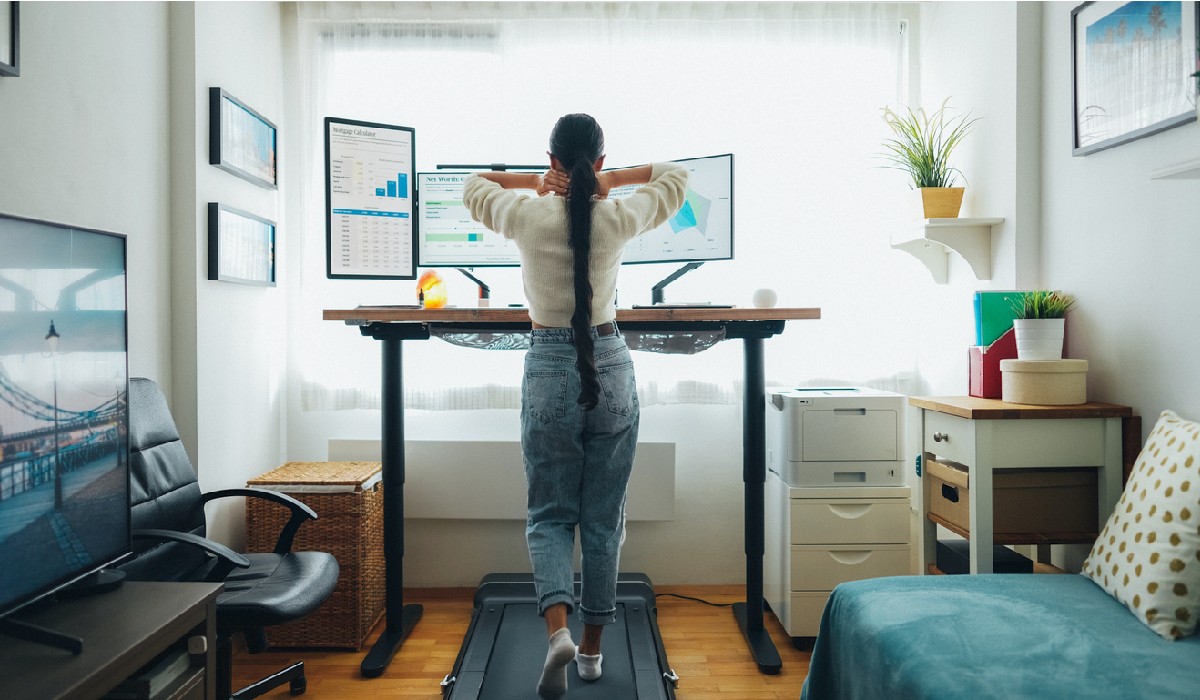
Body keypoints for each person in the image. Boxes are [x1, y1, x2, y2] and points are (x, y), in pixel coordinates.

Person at [463, 113, 688, 698]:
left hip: (548, 368)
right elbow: (675, 177)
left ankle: (556, 632)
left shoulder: (527, 215)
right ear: (601, 159)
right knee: (603, 521)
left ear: (552, 160)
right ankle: (591, 652)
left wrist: (539, 185)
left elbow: (474, 183)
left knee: (549, 516)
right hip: (610, 365)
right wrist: (605, 183)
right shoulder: (616, 215)